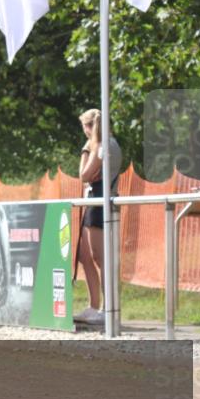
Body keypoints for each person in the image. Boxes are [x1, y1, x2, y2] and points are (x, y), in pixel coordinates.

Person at [74, 108, 122, 326]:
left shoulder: (103, 145)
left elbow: (84, 174)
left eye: (85, 127)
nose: (84, 133)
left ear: (90, 127)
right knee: (86, 256)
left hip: (100, 201)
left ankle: (107, 308)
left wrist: (87, 149)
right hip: (93, 200)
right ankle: (94, 306)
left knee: (100, 258)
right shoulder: (104, 145)